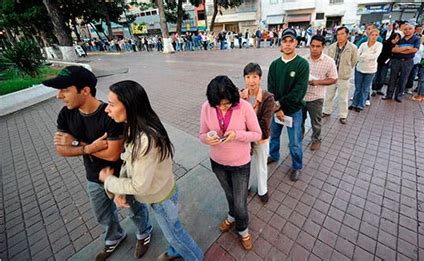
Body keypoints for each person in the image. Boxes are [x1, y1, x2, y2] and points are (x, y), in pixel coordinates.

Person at [43, 66, 152, 261]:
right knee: (102, 213)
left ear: (84, 90)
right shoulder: (66, 114)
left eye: (65, 90)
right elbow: (61, 149)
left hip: (122, 175)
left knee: (135, 209)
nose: (59, 96)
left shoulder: (110, 114)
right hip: (93, 176)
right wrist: (88, 148)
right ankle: (114, 238)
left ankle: (144, 232)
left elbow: (112, 154)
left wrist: (77, 144)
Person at [98, 81, 203, 261]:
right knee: (172, 232)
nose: (107, 109)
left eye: (112, 104)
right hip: (162, 192)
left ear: (129, 106)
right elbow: (129, 160)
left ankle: (195, 257)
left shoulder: (145, 139)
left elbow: (140, 185)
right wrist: (120, 189)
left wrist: (109, 181)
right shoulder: (137, 126)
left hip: (161, 199)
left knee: (175, 234)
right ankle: (176, 250)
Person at [199, 76, 261, 250]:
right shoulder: (206, 107)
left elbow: (257, 133)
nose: (221, 108)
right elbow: (202, 134)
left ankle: (243, 229)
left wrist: (237, 134)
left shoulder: (245, 107)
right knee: (229, 195)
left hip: (240, 164)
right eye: (217, 105)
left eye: (225, 104)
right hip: (218, 162)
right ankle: (232, 216)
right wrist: (208, 139)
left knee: (241, 203)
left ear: (233, 98)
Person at [267, 28, 309, 181]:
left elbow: (299, 91)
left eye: (291, 41)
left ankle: (297, 166)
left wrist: (279, 105)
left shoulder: (302, 64)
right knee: (274, 136)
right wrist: (276, 107)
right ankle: (274, 155)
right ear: (281, 43)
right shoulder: (274, 65)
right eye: (285, 41)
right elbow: (271, 88)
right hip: (276, 110)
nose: (288, 44)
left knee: (295, 143)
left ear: (296, 43)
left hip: (294, 111)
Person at [239, 63, 275, 203]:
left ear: (260, 78)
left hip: (261, 139)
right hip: (245, 140)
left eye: (254, 77)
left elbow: (265, 123)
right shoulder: (241, 96)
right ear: (244, 78)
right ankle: (245, 188)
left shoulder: (268, 98)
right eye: (248, 77)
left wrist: (247, 131)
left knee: (261, 165)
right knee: (244, 165)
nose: (251, 81)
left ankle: (262, 190)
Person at [302, 35, 338, 151]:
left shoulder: (329, 62)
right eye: (312, 46)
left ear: (323, 47)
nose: (314, 49)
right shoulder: (303, 60)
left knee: (315, 122)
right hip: (301, 97)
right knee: (299, 120)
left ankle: (316, 140)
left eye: (318, 46)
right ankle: (299, 138)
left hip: (316, 97)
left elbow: (333, 79)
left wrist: (318, 82)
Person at [322, 26, 358, 124]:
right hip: (332, 76)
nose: (340, 36)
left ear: (347, 35)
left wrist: (346, 70)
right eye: (338, 34)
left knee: (343, 98)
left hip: (343, 77)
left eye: (342, 34)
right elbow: (328, 60)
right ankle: (326, 111)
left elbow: (354, 61)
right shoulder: (332, 46)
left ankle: (343, 115)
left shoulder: (352, 48)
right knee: (329, 95)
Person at [383, 23, 420, 103]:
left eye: (410, 28)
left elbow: (415, 50)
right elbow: (393, 50)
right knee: (392, 78)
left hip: (408, 62)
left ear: (414, 30)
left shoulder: (416, 39)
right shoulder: (400, 38)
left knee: (403, 79)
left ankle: (398, 95)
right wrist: (406, 48)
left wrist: (400, 50)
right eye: (405, 29)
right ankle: (389, 95)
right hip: (396, 60)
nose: (407, 30)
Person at [350, 29, 382, 112]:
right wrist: (365, 56)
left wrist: (364, 56)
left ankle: (361, 105)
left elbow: (375, 56)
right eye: (372, 35)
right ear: (369, 35)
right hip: (360, 68)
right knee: (358, 87)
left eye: (376, 35)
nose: (374, 37)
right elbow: (357, 54)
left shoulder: (379, 45)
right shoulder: (363, 45)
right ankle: (354, 103)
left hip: (370, 70)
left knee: (365, 88)